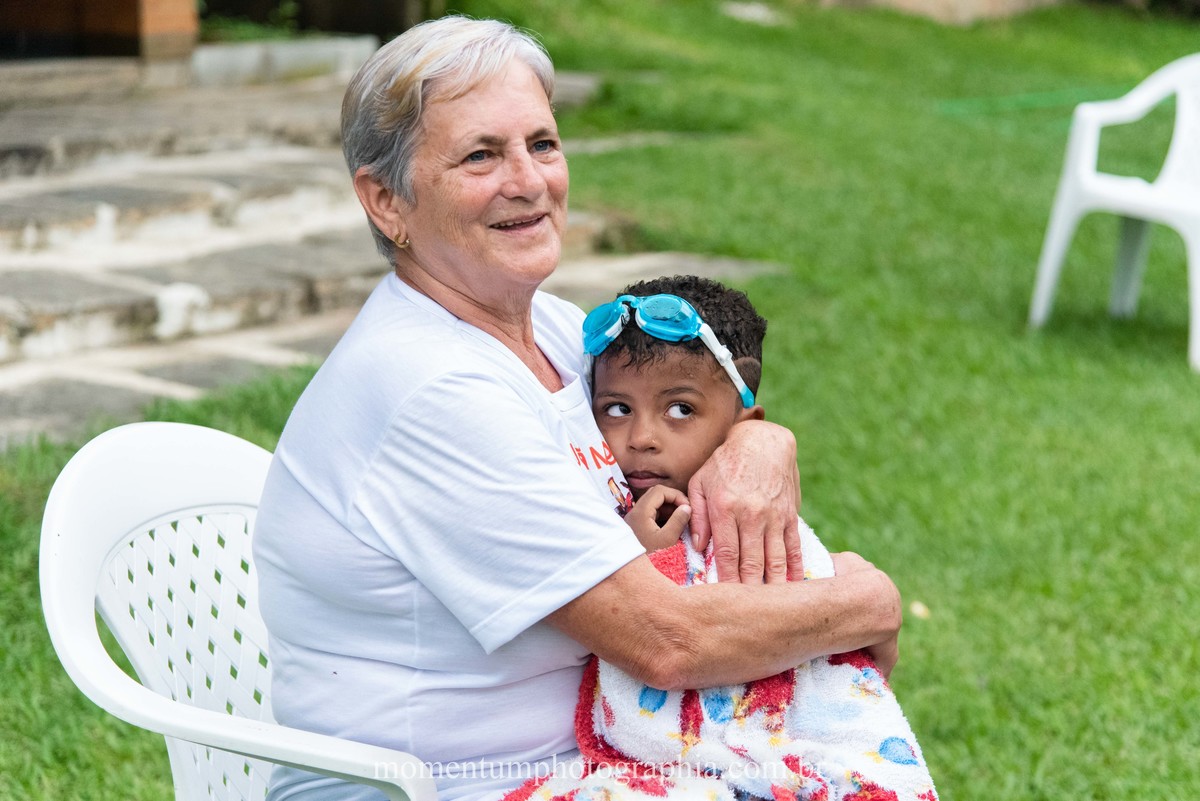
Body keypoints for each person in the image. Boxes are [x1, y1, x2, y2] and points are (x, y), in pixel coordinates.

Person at [252, 16, 902, 801]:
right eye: (481, 155)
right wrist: (868, 600)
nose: (528, 181)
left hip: (601, 761)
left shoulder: (560, 332)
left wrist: (759, 441)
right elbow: (666, 640)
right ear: (386, 200)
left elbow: (688, 407)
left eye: (543, 144)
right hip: (442, 785)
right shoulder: (428, 386)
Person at [502, 275, 937, 801]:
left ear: (741, 425)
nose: (641, 438)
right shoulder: (597, 506)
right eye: (616, 408)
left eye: (680, 410)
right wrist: (635, 553)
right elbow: (630, 619)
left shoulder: (757, 526)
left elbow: (819, 650)